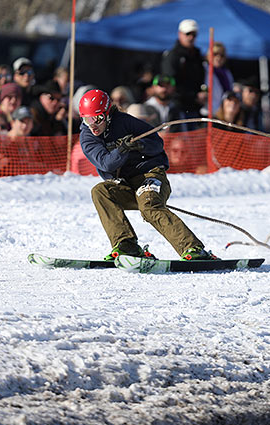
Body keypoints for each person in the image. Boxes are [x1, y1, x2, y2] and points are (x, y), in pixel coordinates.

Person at [77, 89, 217, 261]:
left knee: (149, 206)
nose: (93, 125)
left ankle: (193, 248)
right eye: (87, 119)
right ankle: (126, 245)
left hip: (150, 175)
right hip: (124, 184)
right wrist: (122, 149)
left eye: (97, 118)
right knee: (100, 191)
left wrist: (140, 146)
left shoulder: (125, 122)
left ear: (107, 114)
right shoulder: (87, 137)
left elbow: (157, 143)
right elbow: (106, 163)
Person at [161, 19, 205, 118]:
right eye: (188, 33)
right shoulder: (172, 56)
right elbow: (170, 84)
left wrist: (202, 93)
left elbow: (201, 79)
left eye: (194, 35)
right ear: (180, 34)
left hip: (196, 109)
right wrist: (193, 96)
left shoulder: (197, 56)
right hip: (177, 107)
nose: (191, 37)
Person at [203, 41, 234, 115]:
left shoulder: (227, 73)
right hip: (208, 112)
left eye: (222, 55)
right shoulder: (203, 69)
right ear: (209, 55)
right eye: (215, 54)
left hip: (222, 114)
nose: (218, 57)